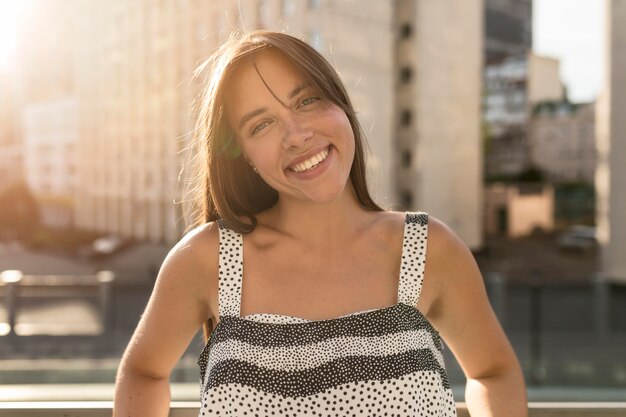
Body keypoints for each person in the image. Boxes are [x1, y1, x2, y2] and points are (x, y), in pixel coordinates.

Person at [113, 30, 527, 417]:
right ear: (245, 158)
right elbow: (143, 374)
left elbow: (494, 373)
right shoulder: (207, 258)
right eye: (262, 124)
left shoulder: (426, 248)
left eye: (306, 101)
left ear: (341, 104)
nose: (296, 135)